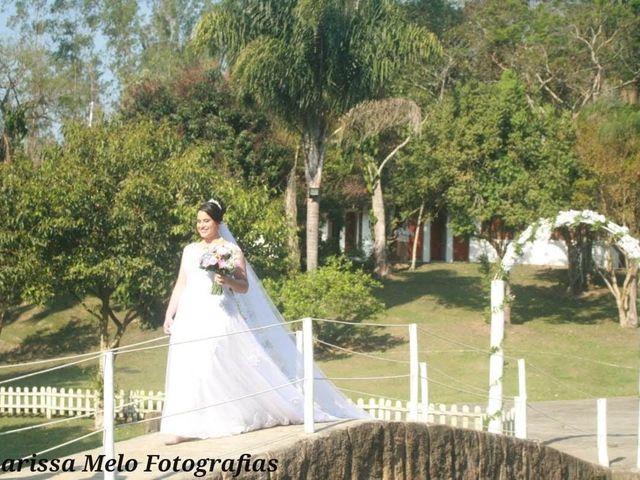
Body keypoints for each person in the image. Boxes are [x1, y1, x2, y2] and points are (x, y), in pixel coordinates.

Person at [160, 199, 367, 445]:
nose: (201, 225)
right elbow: (181, 283)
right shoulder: (190, 250)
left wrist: (227, 282)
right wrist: (170, 314)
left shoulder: (231, 250)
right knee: (187, 366)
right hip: (190, 315)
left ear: (217, 222)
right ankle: (184, 422)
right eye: (198, 221)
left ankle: (202, 422)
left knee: (208, 363)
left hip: (217, 312)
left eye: (206, 221)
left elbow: (244, 286)